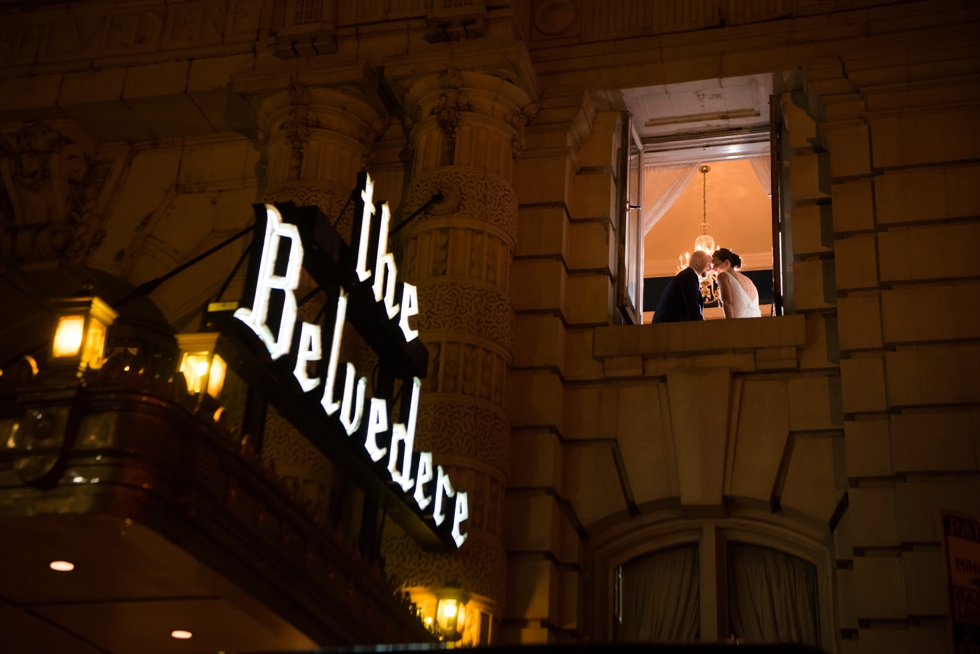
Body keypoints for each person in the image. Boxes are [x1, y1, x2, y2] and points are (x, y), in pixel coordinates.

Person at [652, 250, 712, 323]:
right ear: (698, 262)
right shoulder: (690, 275)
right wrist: (702, 327)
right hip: (670, 326)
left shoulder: (686, 275)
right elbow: (692, 305)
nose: (710, 269)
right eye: (709, 264)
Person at [712, 248, 761, 319]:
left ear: (726, 262)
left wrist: (731, 326)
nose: (713, 269)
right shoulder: (748, 279)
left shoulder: (723, 276)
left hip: (739, 322)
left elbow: (727, 302)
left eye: (716, 264)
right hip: (757, 322)